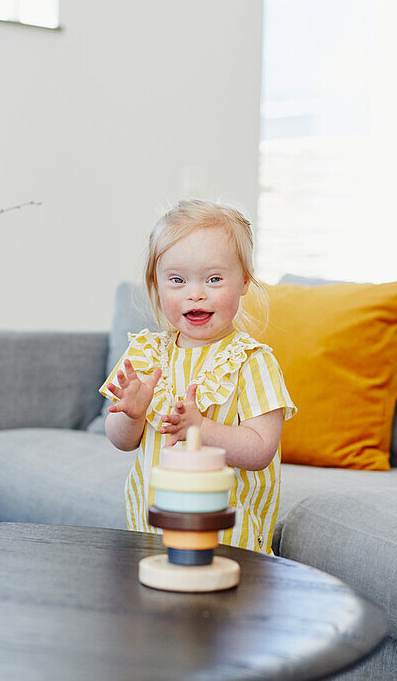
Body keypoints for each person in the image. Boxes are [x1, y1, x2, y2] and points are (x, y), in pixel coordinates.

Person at [101, 199, 296, 554]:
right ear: (156, 285)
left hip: (226, 542)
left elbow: (260, 451)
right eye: (177, 280)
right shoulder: (145, 354)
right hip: (148, 530)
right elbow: (122, 441)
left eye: (214, 279)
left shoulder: (251, 362)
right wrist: (130, 415)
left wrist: (201, 430)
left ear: (244, 283)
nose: (195, 293)